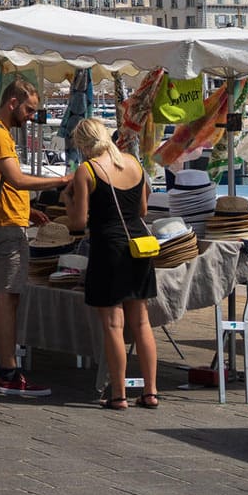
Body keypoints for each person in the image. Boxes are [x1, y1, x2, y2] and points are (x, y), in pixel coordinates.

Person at [0, 81, 73, 398]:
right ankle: (8, 371)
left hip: (0, 221)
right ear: (13, 102)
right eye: (29, 109)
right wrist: (61, 179)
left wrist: (27, 211)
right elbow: (15, 178)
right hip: (7, 227)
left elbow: (0, 184)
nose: (31, 116)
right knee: (8, 298)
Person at [65, 118, 159, 411]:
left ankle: (118, 394)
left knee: (113, 324)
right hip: (140, 245)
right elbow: (142, 209)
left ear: (82, 144)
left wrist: (67, 200)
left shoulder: (87, 170)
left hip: (109, 247)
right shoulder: (132, 162)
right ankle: (151, 392)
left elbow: (78, 224)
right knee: (142, 322)